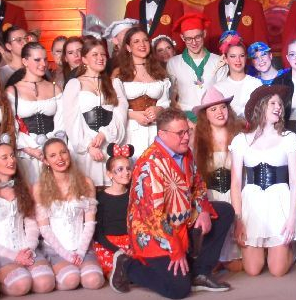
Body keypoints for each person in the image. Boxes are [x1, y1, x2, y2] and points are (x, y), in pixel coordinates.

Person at [115, 108, 236, 298]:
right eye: (180, 133)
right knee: (178, 289)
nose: (186, 137)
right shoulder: (149, 164)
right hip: (154, 233)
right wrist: (176, 250)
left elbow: (198, 185)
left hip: (183, 221)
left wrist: (204, 210)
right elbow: (154, 218)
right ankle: (128, 265)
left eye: (187, 131)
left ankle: (200, 273)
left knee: (225, 211)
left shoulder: (186, 153)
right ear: (162, 134)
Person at [229, 85, 296, 278]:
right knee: (253, 270)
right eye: (273, 103)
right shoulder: (241, 140)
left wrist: (292, 219)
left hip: (279, 202)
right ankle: (266, 249)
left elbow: (295, 181)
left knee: (277, 270)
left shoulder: (289, 138)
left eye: (280, 104)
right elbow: (236, 183)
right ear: (260, 106)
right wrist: (238, 220)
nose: (278, 107)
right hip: (252, 204)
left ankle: (288, 250)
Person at [0, 140, 55, 297]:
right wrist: (14, 256)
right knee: (22, 284)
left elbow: (31, 223)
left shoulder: (23, 188)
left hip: (25, 247)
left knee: (45, 283)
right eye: (4, 157)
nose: (11, 160)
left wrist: (29, 248)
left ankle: (20, 271)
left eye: (12, 156)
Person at [35, 138, 106, 291]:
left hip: (82, 246)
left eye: (63, 152)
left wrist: (80, 252)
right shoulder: (39, 187)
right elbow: (44, 228)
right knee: (71, 279)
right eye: (53, 155)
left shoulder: (86, 183)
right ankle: (55, 272)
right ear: (46, 161)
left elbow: (90, 223)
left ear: (69, 154)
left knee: (94, 281)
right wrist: (67, 255)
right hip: (55, 248)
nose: (60, 158)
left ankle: (74, 267)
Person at [58, 36, 126, 187]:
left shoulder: (114, 83)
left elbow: (120, 115)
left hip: (109, 143)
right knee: (87, 189)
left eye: (103, 55)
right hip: (85, 148)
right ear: (84, 59)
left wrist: (104, 134)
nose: (100, 58)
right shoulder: (74, 84)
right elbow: (71, 121)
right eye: (95, 55)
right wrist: (89, 145)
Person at [192, 85, 243, 269]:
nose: (219, 112)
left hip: (237, 195)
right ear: (205, 115)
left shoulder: (239, 135)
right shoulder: (197, 139)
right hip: (211, 197)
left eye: (222, 107)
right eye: (213, 109)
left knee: (238, 265)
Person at [112, 22, 171, 156]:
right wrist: (134, 115)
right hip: (130, 129)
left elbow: (165, 102)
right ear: (128, 47)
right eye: (136, 41)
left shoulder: (159, 72)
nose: (142, 44)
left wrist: (158, 109)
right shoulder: (119, 73)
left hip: (156, 129)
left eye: (145, 40)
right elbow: (114, 106)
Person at [8, 40, 61, 187]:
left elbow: (61, 123)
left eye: (45, 59)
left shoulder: (55, 89)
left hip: (53, 152)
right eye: (37, 60)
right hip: (25, 154)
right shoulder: (13, 91)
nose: (43, 64)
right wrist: (29, 149)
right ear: (25, 61)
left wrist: (51, 148)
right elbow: (10, 126)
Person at [91, 146, 134, 276]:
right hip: (108, 244)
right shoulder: (100, 198)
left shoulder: (134, 196)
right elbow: (97, 232)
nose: (126, 172)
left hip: (131, 243)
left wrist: (132, 246)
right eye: (120, 169)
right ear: (110, 174)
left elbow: (138, 225)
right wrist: (116, 249)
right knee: (117, 269)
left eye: (128, 168)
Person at [168, 14, 223, 114]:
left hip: (210, 116)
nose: (194, 43)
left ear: (204, 34)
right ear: (182, 37)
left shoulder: (218, 61)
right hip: (184, 116)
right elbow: (171, 95)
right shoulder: (173, 63)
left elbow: (222, 93)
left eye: (197, 37)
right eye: (189, 39)